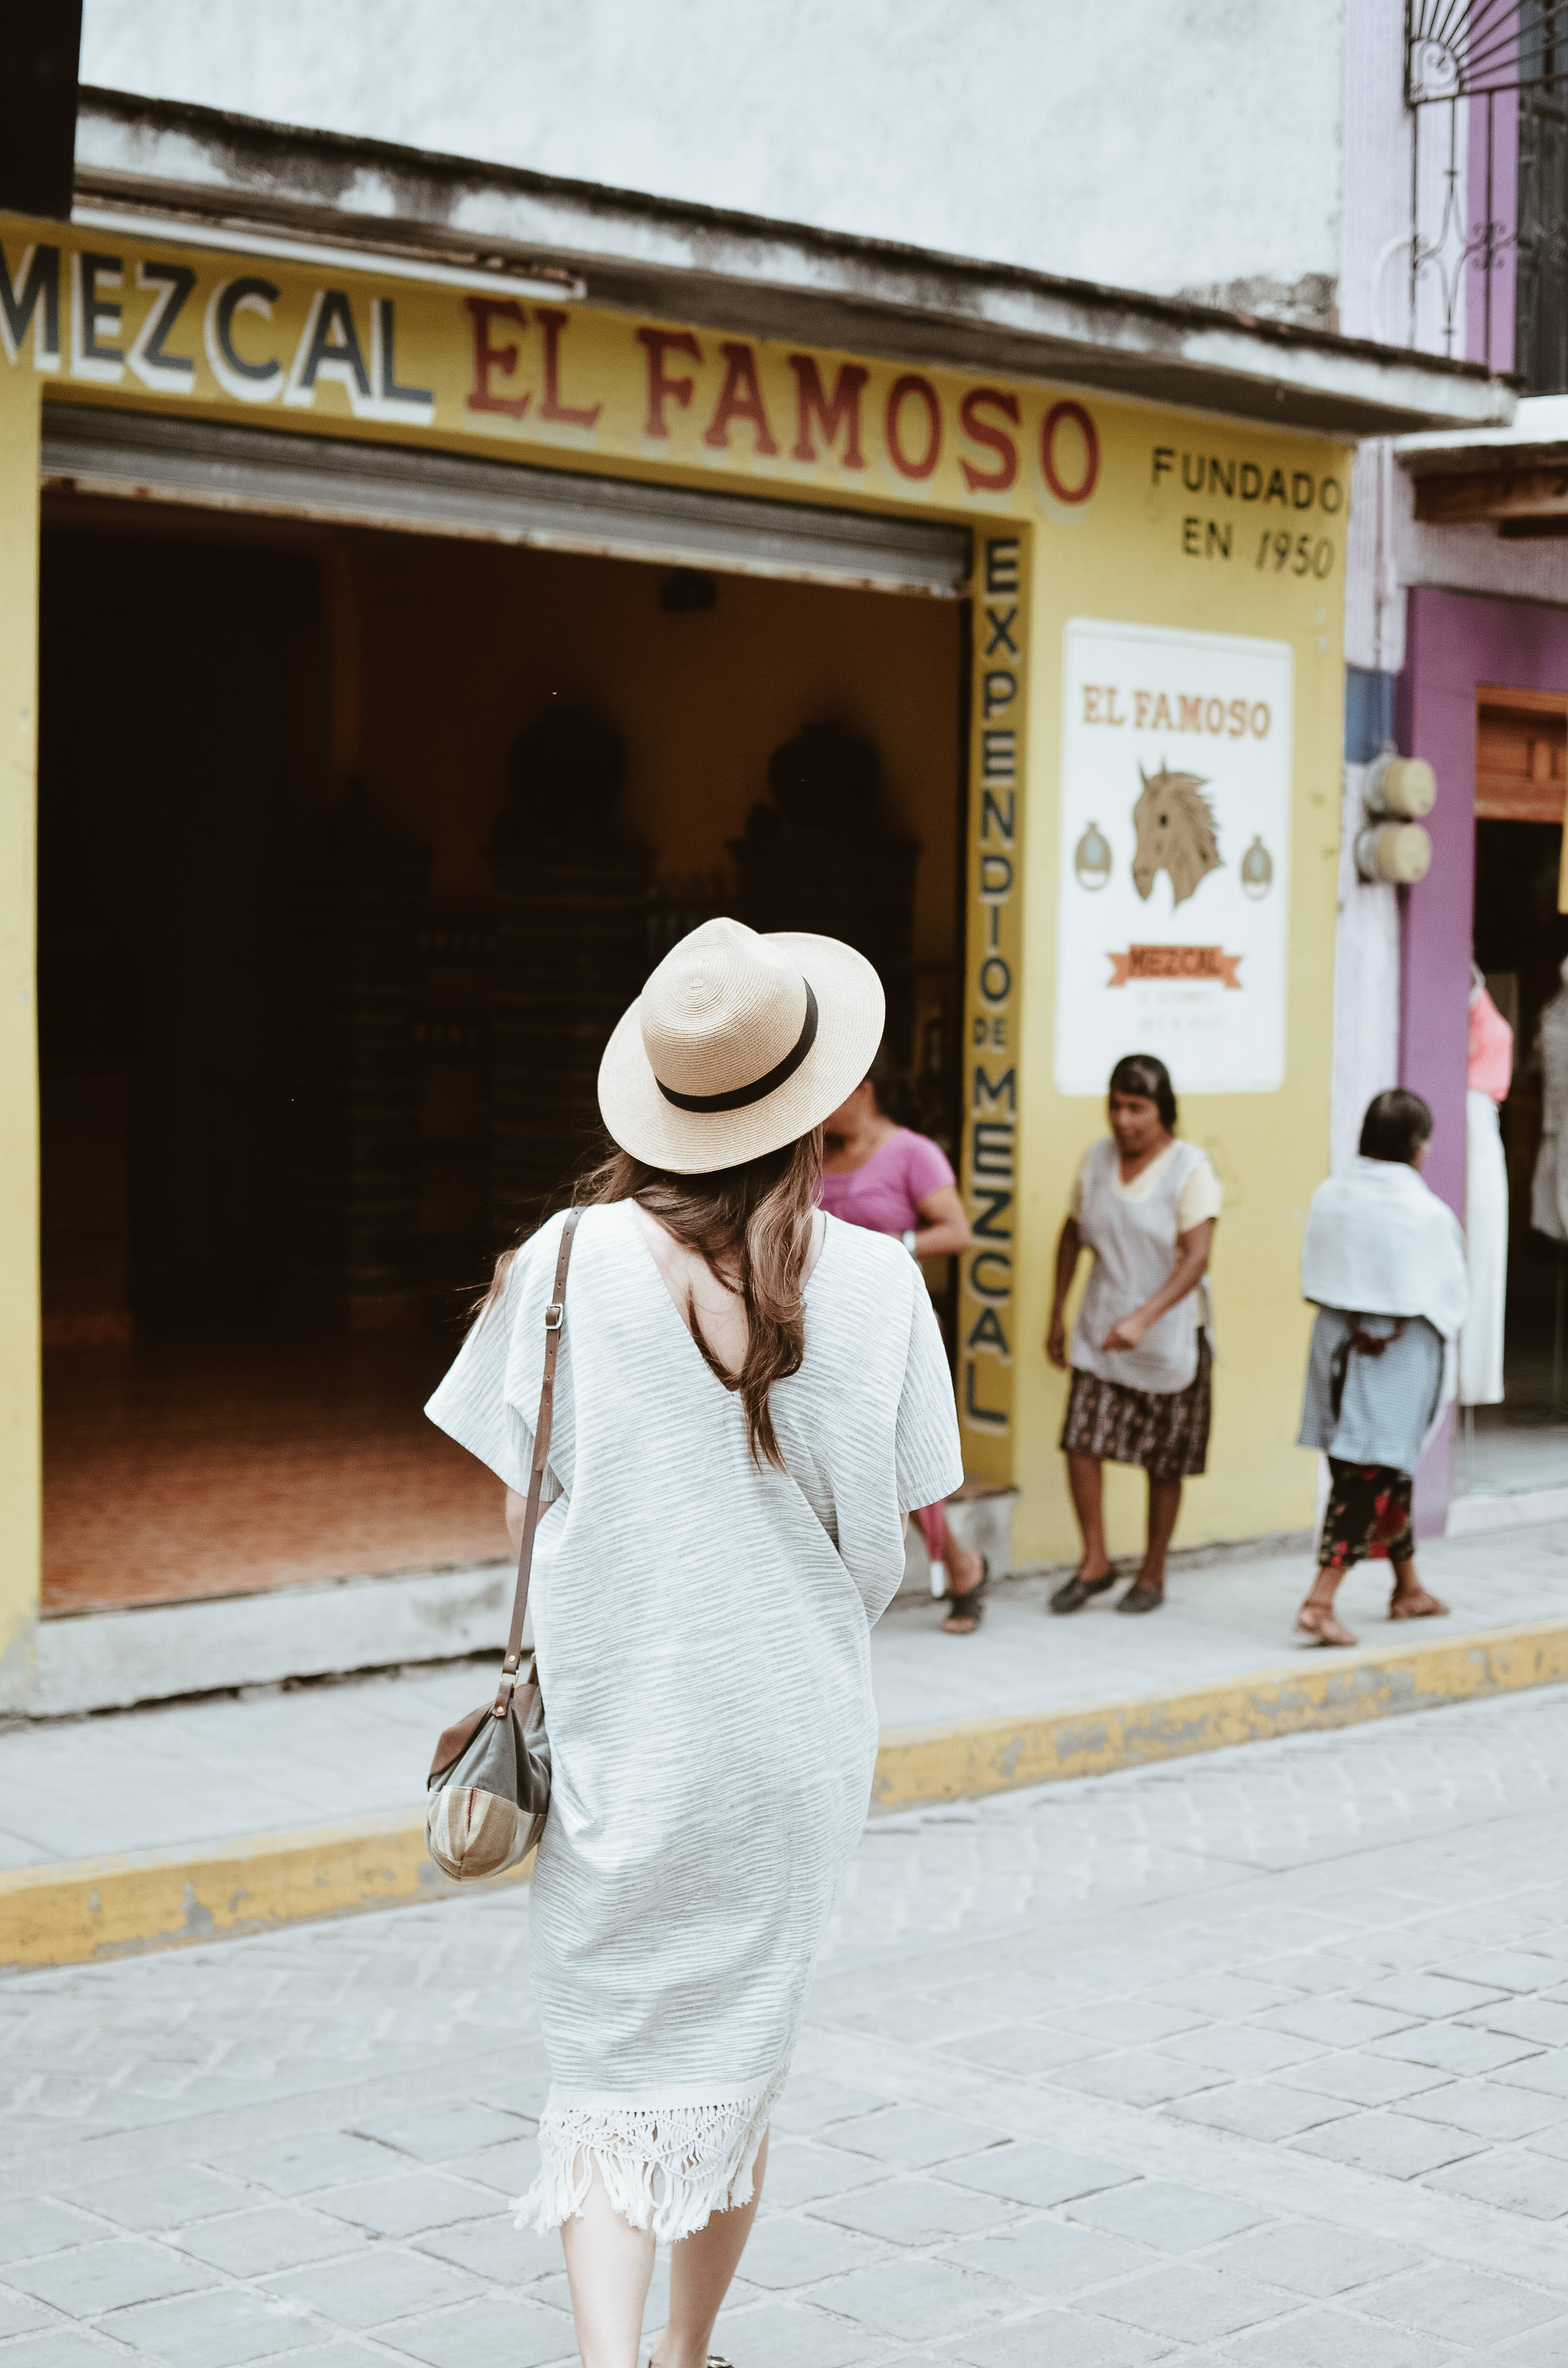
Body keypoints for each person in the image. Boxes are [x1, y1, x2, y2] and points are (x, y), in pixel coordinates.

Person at [425, 917, 962, 2368]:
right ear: (812, 1099)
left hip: (624, 1723)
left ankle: (613, 2362)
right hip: (791, 1737)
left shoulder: (564, 1259)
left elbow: (527, 1500)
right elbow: (893, 1541)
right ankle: (685, 2354)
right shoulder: (880, 1279)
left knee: (607, 2068)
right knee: (736, 2061)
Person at [1046, 1053, 1220, 1616]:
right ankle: (1095, 1561)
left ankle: (1152, 1570)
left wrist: (1145, 1317)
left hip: (1169, 1337)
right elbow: (1071, 1235)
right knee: (1081, 1440)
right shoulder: (1096, 1159)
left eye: (1137, 1107)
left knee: (1164, 1461)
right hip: (1103, 1328)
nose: (1123, 1120)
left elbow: (1197, 1258)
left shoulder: (1191, 1169)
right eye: (1116, 1106)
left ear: (1162, 1110)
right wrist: (1056, 1312)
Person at [1295, 1088, 1468, 1646]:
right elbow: (1449, 1296)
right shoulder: (1427, 1214)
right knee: (1371, 1474)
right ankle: (1320, 1601)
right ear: (1418, 1147)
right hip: (1397, 1353)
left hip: (1336, 1343)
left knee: (1379, 1471)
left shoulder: (1331, 1195)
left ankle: (1408, 1588)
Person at [820, 1051, 984, 1632]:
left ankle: (960, 1567)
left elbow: (958, 1230)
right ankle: (955, 1570)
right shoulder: (814, 1154)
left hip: (892, 1326)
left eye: (833, 1095)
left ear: (865, 1092)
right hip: (826, 1330)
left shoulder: (913, 1152)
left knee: (902, 1456)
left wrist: (896, 1243)